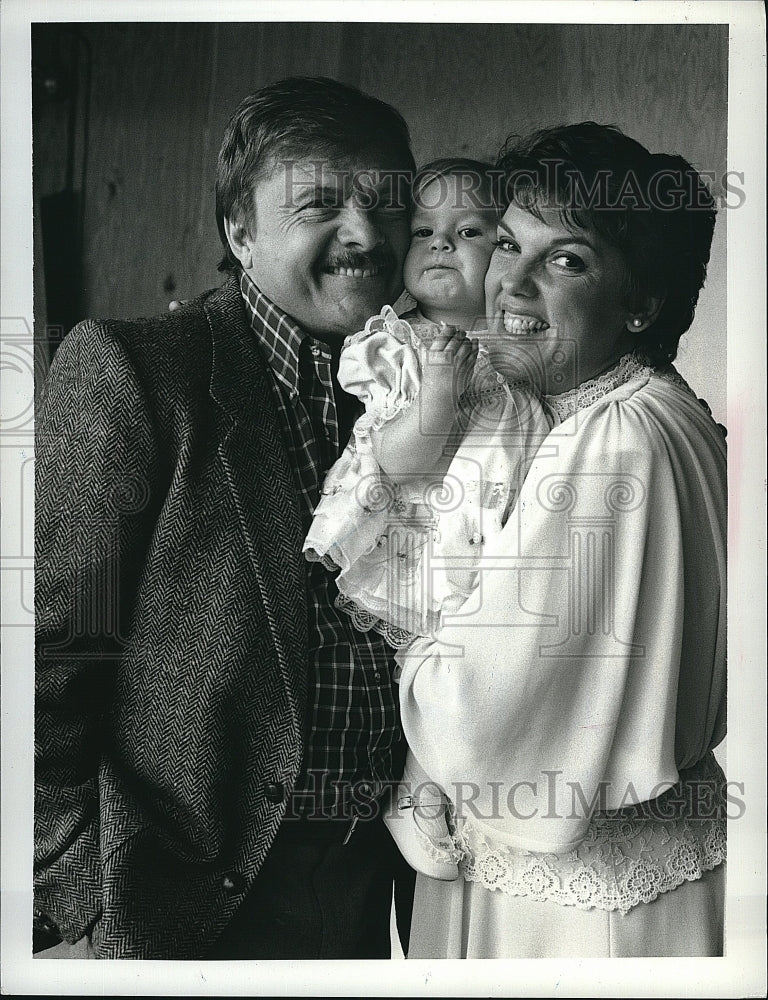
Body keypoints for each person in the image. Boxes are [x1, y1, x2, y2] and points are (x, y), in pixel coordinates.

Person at [34, 76, 419, 960]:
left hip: (369, 887)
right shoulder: (137, 375)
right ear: (240, 232)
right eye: (320, 203)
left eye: (388, 202)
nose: (365, 233)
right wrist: (81, 896)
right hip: (172, 897)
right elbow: (50, 652)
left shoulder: (424, 386)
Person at [392, 123, 727, 958]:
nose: (511, 285)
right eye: (509, 244)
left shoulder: (612, 440)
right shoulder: (658, 412)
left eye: (567, 260)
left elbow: (484, 704)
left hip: (574, 906)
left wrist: (408, 639)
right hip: (610, 874)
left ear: (641, 303)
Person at [303, 158, 555, 880]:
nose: (441, 244)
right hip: (427, 542)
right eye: (424, 231)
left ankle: (467, 786)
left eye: (469, 230)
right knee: (433, 664)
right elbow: (402, 462)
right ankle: (415, 791)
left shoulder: (523, 348)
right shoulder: (401, 347)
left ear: (507, 251)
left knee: (495, 670)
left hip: (505, 540)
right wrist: (442, 383)